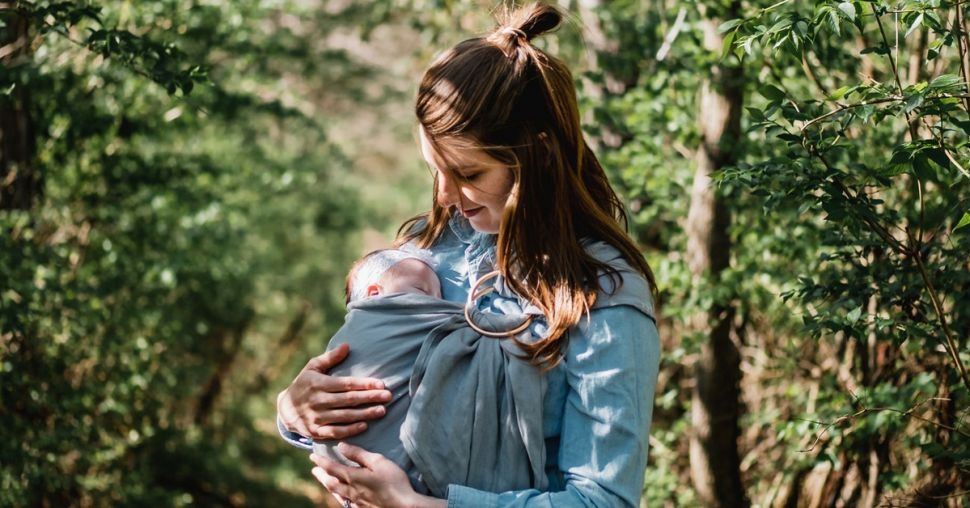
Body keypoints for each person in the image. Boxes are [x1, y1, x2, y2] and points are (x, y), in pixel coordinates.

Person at [276, 2, 661, 506]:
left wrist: (419, 506)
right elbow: (366, 389)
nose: (443, 196)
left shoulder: (602, 294)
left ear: (537, 157)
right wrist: (293, 411)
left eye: (469, 174)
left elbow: (603, 499)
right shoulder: (424, 254)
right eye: (435, 169)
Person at [299, 248, 547, 498]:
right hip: (357, 467)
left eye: (440, 295)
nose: (438, 303)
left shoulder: (415, 270)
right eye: (421, 292)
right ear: (375, 294)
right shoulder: (367, 322)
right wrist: (290, 414)